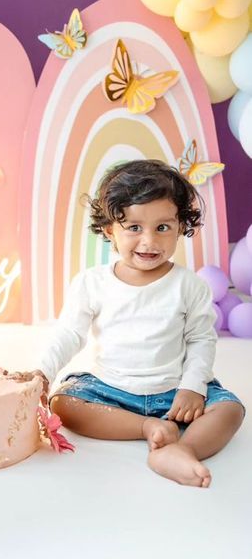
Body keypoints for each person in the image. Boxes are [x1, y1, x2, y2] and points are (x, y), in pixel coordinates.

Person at [14, 159, 245, 488]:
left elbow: (200, 340)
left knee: (230, 410)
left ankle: (181, 450)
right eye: (134, 228)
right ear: (110, 230)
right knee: (64, 403)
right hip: (110, 392)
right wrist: (43, 372)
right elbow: (69, 333)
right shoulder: (92, 283)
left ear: (181, 226)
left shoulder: (188, 285)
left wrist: (192, 388)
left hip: (173, 393)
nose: (149, 241)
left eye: (162, 227)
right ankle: (145, 427)